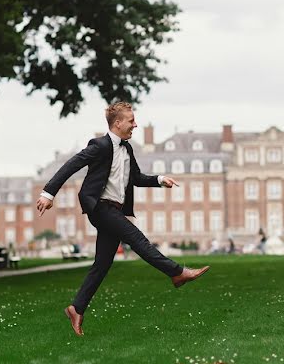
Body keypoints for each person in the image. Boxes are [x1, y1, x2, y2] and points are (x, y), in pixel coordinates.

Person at [36, 102, 210, 336]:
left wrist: (159, 179)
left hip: (115, 210)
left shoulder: (127, 150)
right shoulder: (98, 146)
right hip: (99, 207)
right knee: (137, 238)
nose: (135, 124)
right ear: (117, 123)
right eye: (131, 120)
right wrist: (48, 194)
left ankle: (76, 308)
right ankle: (177, 272)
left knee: (102, 264)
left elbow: (136, 177)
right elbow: (71, 165)